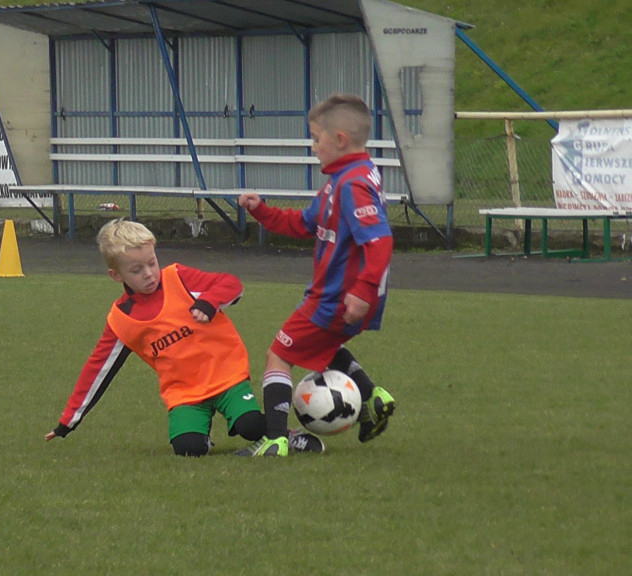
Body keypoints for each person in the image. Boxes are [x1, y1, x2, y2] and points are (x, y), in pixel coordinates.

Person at [44, 218, 323, 456]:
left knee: (250, 424)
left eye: (151, 263)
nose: (149, 274)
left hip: (226, 375)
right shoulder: (121, 320)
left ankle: (285, 434)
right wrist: (68, 421)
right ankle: (200, 435)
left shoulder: (179, 278)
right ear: (115, 275)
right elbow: (97, 370)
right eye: (136, 270)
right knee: (188, 449)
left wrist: (209, 301)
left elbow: (231, 284)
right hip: (185, 393)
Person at [235, 93, 396, 457]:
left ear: (339, 139)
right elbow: (306, 223)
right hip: (344, 296)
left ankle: (275, 439)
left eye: (316, 138)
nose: (313, 147)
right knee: (323, 347)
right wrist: (263, 212)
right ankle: (374, 397)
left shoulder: (351, 185)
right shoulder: (345, 178)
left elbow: (380, 239)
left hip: (337, 297)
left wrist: (363, 289)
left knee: (278, 354)